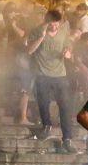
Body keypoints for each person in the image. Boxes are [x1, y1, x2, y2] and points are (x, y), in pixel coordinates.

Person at [27, 9, 76, 153]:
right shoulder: (36, 31)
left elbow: (69, 49)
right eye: (51, 25)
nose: (54, 27)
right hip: (42, 73)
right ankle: (46, 125)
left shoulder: (63, 31)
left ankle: (67, 138)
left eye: (57, 24)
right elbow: (29, 50)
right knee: (43, 102)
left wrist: (67, 53)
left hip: (60, 74)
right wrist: (41, 37)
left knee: (65, 106)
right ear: (46, 22)